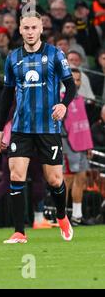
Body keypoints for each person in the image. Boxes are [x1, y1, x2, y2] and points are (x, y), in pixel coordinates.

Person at [0, 11, 77, 244]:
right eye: (26, 28)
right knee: (16, 175)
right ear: (20, 30)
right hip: (21, 128)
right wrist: (1, 128)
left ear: (41, 29)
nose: (30, 32)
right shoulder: (12, 58)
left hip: (48, 128)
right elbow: (6, 95)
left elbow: (70, 86)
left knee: (54, 180)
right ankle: (20, 232)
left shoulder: (54, 54)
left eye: (34, 28)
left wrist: (63, 104)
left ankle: (61, 216)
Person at [62, 68, 94, 226]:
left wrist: (88, 145)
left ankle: (77, 216)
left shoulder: (80, 99)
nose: (76, 83)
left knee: (81, 179)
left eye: (78, 79)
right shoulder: (60, 99)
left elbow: (84, 124)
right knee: (66, 181)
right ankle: (61, 217)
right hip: (68, 146)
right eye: (73, 79)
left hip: (81, 146)